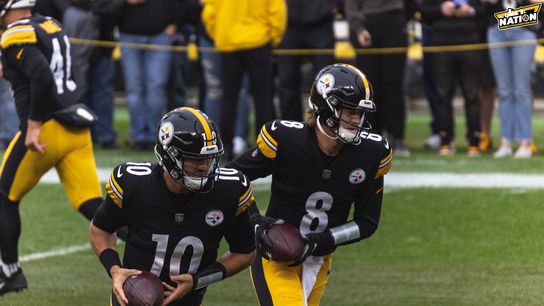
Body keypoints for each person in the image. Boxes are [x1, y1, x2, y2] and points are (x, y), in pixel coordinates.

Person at [227, 64, 392, 306]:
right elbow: (230, 178)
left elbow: (367, 222)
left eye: (360, 113)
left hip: (320, 259)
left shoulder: (371, 153)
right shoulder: (287, 141)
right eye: (349, 111)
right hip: (277, 254)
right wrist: (254, 220)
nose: (356, 120)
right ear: (324, 107)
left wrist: (323, 240)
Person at [90, 107, 256, 306]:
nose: (204, 166)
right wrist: (115, 269)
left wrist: (198, 281)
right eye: (195, 158)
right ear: (169, 155)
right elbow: (100, 229)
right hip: (130, 300)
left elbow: (244, 252)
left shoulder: (229, 190)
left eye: (210, 158)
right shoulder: (134, 184)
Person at [0, 0, 106, 295]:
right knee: (92, 205)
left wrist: (33, 126)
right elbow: (47, 67)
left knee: (4, 196)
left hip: (44, 131)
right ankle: (151, 246)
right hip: (75, 128)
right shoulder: (49, 24)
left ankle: (9, 272)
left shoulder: (14, 34)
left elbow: (43, 76)